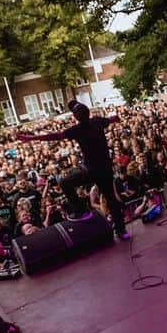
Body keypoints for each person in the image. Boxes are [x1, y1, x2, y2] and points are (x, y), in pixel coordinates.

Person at [17, 101, 131, 240]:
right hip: (106, 170)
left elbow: (55, 136)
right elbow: (113, 119)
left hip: (92, 171)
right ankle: (121, 231)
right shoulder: (97, 121)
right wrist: (116, 117)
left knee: (65, 183)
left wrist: (30, 138)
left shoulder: (78, 129)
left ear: (76, 117)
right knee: (111, 200)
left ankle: (81, 209)